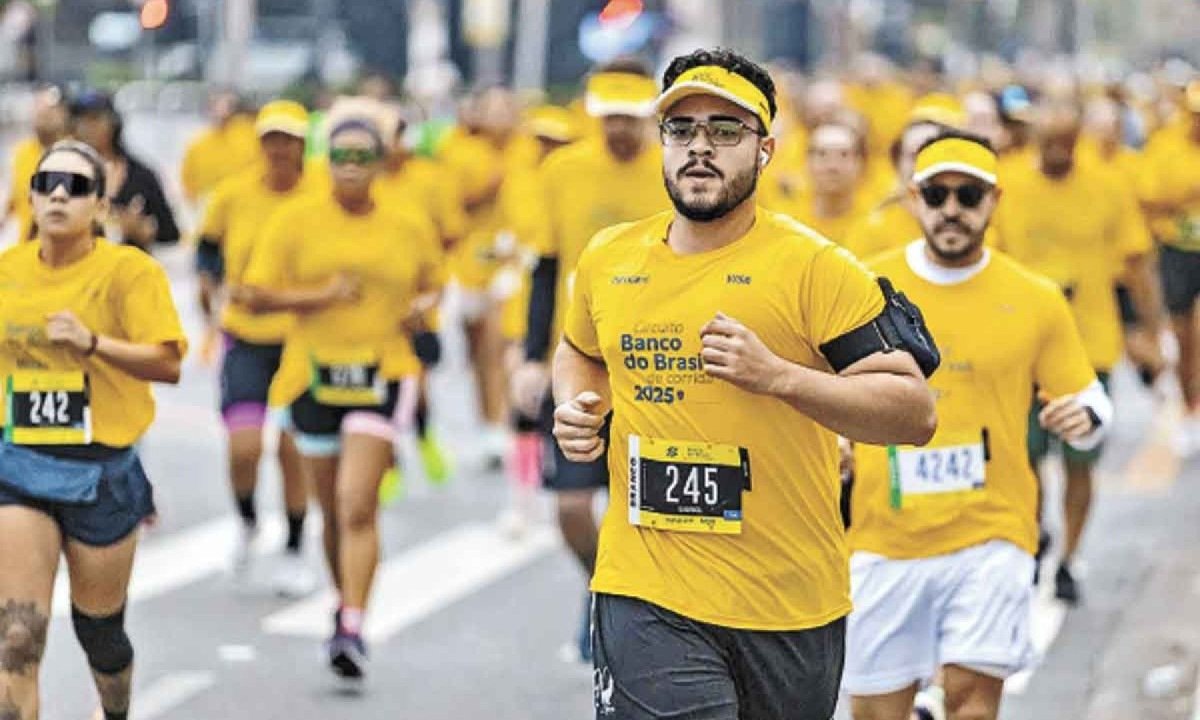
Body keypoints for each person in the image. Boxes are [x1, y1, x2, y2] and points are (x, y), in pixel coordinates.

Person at [552, 48, 937, 719]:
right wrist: (577, 405)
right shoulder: (609, 259)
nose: (701, 148)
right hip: (646, 589)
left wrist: (781, 377)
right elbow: (579, 350)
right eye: (682, 129)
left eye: (726, 131)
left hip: (789, 603)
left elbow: (912, 411)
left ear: (765, 150)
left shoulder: (813, 268)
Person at [843, 131, 1112, 720]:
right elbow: (825, 387)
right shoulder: (864, 287)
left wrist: (1083, 416)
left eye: (969, 195)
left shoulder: (1034, 296)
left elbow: (1089, 400)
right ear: (913, 199)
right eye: (936, 195)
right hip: (882, 539)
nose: (952, 210)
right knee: (876, 713)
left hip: (992, 533)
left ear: (994, 201)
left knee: (971, 700)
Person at [234, 99, 443, 684]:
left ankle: (352, 623)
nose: (351, 167)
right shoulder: (296, 220)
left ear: (381, 162)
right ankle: (340, 599)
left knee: (357, 501)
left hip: (383, 371)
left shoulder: (406, 222)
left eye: (363, 156)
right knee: (331, 509)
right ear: (327, 161)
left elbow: (432, 286)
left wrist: (422, 311)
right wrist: (319, 296)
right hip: (312, 375)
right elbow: (252, 293)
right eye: (341, 156)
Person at [0, 140, 186, 720]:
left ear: (100, 205)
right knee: (16, 640)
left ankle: (116, 709)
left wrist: (93, 344)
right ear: (29, 197)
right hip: (19, 468)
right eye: (47, 181)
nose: (59, 193)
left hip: (100, 473)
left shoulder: (128, 271)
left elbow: (168, 362)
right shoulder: (6, 273)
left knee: (100, 634)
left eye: (77, 186)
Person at [510, 58, 668, 663]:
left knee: (645, 505)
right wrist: (529, 357)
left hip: (657, 361)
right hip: (578, 356)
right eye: (609, 119)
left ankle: (630, 612)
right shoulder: (564, 170)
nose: (620, 131)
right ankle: (602, 589)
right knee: (574, 509)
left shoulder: (669, 171)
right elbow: (546, 266)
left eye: (631, 119)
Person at [996, 101, 1164, 604]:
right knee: (1025, 459)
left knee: (1080, 461)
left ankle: (1069, 556)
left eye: (1065, 145)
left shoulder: (1108, 186)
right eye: (1047, 144)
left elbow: (1136, 264)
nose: (1056, 154)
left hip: (1089, 348)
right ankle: (1031, 539)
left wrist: (1148, 332)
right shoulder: (1006, 186)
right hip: (1020, 349)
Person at [194, 100, 316, 595]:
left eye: (288, 139)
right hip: (244, 335)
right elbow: (208, 245)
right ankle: (247, 520)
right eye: (271, 139)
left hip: (302, 340)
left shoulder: (319, 195)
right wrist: (212, 286)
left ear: (304, 145)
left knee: (292, 448)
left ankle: (293, 545)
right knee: (244, 447)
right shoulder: (234, 193)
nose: (279, 149)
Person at [1141, 79, 1200, 449]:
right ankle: (1189, 400)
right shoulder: (1165, 145)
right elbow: (1150, 197)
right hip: (1178, 249)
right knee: (1183, 333)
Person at [68, 91, 180, 250]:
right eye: (80, 121)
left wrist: (143, 229)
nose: (87, 128)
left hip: (129, 268)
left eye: (94, 119)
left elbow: (170, 233)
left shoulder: (141, 175)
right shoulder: (64, 171)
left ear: (113, 123)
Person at [769, 117, 870, 245]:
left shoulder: (875, 223)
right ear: (807, 163)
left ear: (860, 164)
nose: (833, 166)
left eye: (844, 155)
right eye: (822, 154)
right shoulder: (784, 224)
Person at [2, 85, 68, 243]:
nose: (44, 115)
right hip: (26, 247)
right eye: (39, 109)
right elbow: (16, 195)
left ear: (63, 114)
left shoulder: (74, 154)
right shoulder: (21, 153)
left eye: (50, 111)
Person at [179, 89, 259, 206]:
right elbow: (188, 185)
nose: (222, 112)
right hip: (210, 203)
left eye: (229, 106)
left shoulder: (250, 134)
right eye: (217, 106)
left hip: (246, 202)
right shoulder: (197, 145)